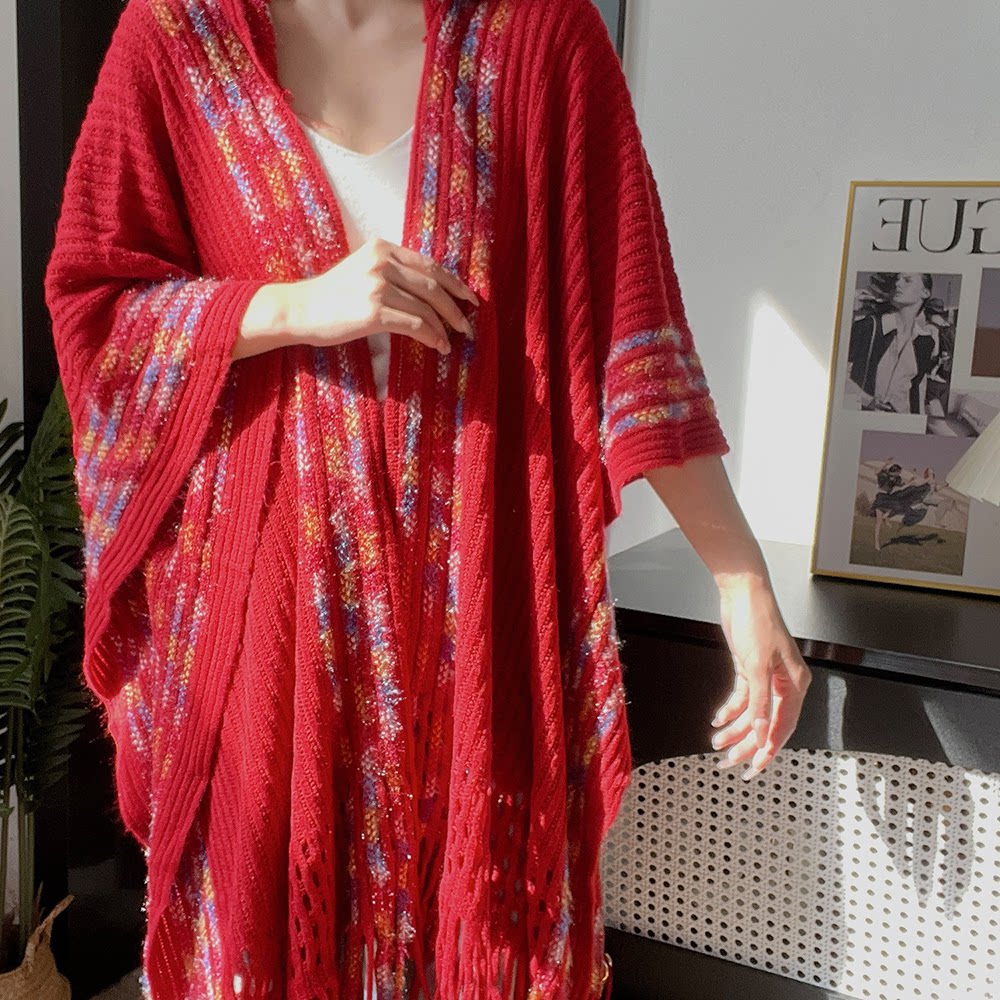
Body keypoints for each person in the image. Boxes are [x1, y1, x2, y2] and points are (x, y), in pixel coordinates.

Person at [44, 0, 811, 997]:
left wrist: (741, 578)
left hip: (483, 616)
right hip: (266, 633)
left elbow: (633, 332)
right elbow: (98, 308)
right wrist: (291, 306)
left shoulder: (542, 38)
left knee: (484, 936)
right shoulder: (178, 40)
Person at [847, 272, 944, 415]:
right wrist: (867, 400)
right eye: (897, 279)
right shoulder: (867, 327)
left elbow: (916, 389)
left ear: (925, 292)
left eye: (907, 280)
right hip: (867, 417)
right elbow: (839, 375)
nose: (898, 284)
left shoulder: (925, 341)